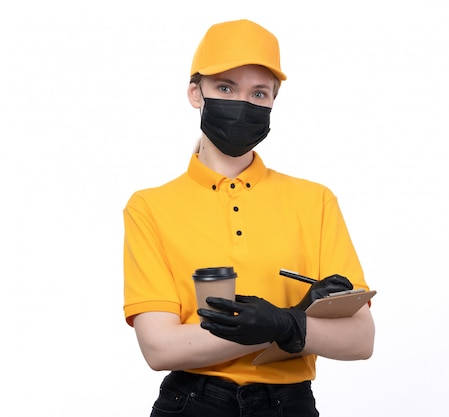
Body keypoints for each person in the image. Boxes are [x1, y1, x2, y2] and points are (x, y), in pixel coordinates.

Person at [123, 18, 375, 417]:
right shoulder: (150, 206)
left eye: (259, 93)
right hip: (192, 403)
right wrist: (294, 326)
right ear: (195, 93)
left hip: (289, 405)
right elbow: (160, 348)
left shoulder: (315, 201)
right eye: (225, 88)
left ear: (274, 100)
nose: (243, 103)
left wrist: (284, 324)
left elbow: (361, 340)